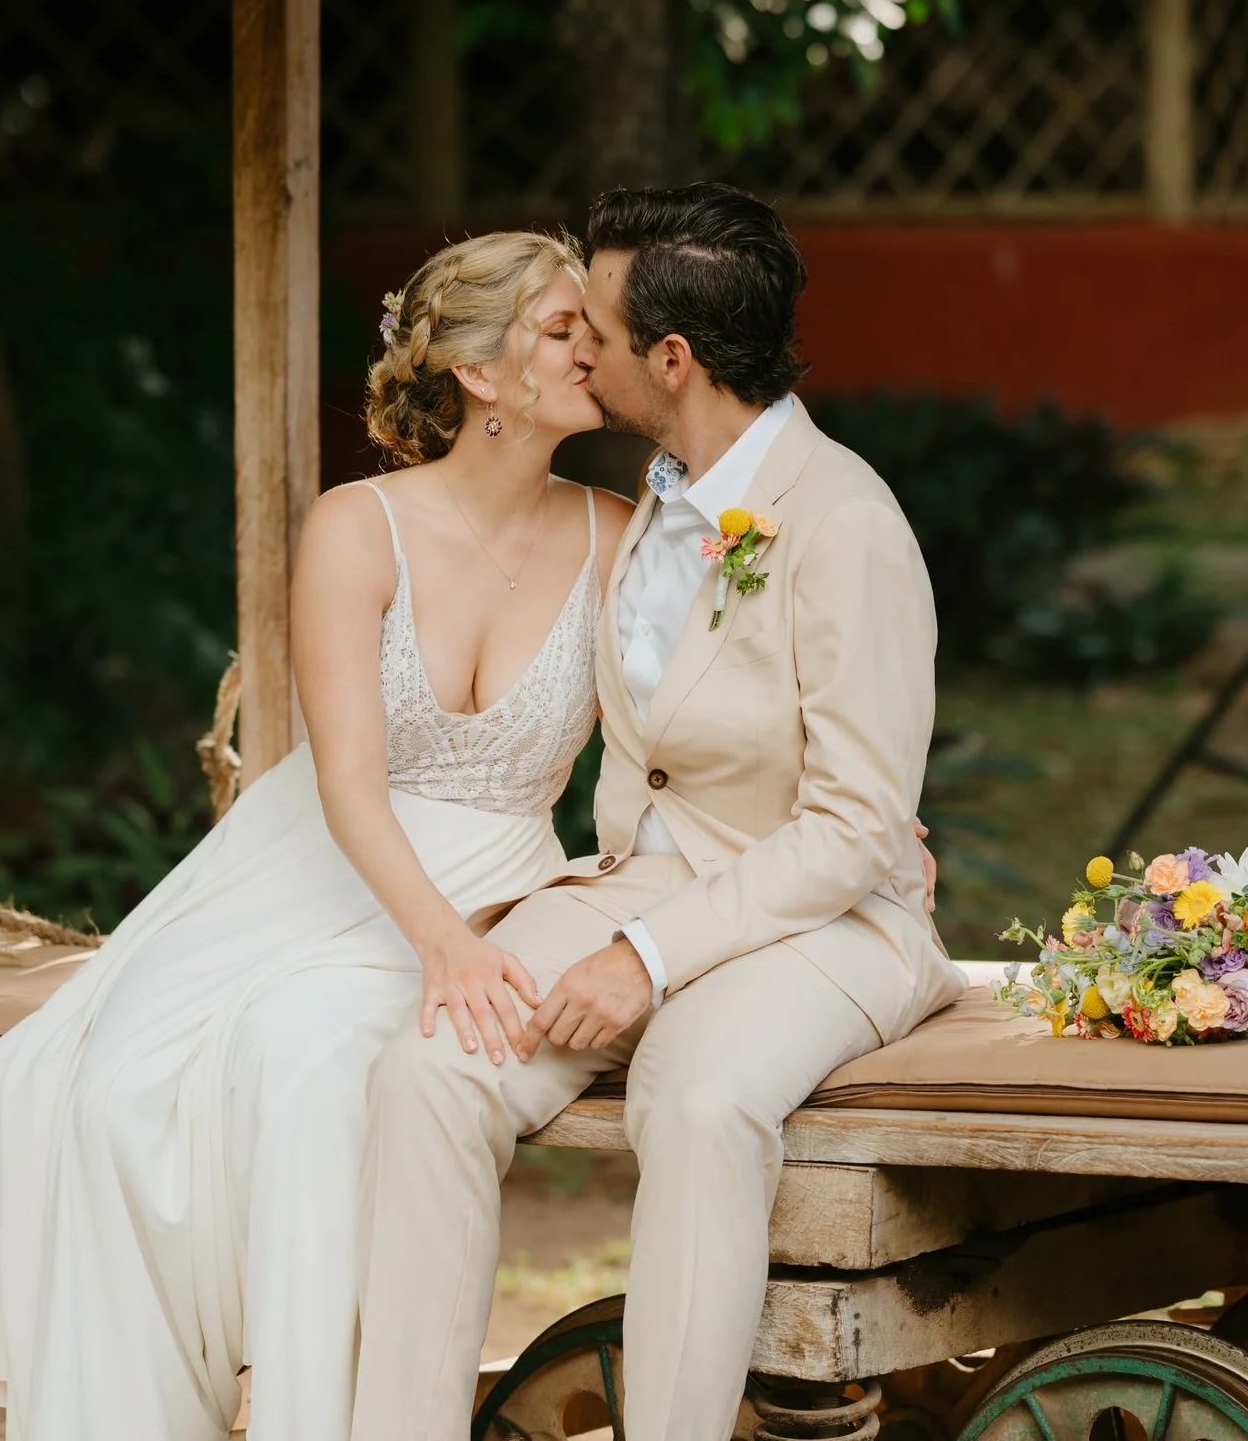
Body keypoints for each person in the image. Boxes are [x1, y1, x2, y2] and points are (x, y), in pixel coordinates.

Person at [0, 228, 635, 1440]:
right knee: (113, 1091)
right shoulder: (356, 523)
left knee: (311, 1063)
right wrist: (436, 941)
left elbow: (710, 703)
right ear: (482, 376)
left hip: (505, 869)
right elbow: (346, 781)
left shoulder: (618, 527)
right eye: (563, 328)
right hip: (317, 864)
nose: (596, 348)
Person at [349, 183, 968, 1441]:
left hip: (828, 920)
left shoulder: (846, 521)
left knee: (693, 1098)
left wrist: (646, 959)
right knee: (431, 1070)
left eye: (603, 330)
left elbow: (853, 829)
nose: (583, 346)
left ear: (671, 358)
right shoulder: (649, 498)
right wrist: (626, 928)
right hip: (636, 886)